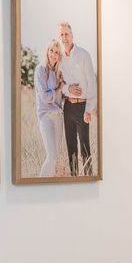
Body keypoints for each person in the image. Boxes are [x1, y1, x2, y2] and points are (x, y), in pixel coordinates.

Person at [56, 20, 96, 176]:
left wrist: (89, 109)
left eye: (66, 34)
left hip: (82, 107)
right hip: (68, 107)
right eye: (61, 35)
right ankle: (74, 179)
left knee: (85, 147)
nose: (64, 38)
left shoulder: (83, 55)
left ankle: (89, 178)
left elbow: (92, 82)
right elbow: (60, 84)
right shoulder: (60, 59)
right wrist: (68, 88)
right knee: (71, 146)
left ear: (72, 35)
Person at [34, 41, 67, 178]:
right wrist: (59, 89)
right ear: (47, 51)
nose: (53, 54)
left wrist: (64, 88)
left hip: (58, 117)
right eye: (51, 51)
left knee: (55, 158)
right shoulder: (40, 70)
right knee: (51, 156)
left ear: (59, 56)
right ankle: (38, 187)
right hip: (46, 116)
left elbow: (61, 98)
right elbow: (45, 97)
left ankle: (49, 189)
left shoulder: (59, 73)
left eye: (56, 52)